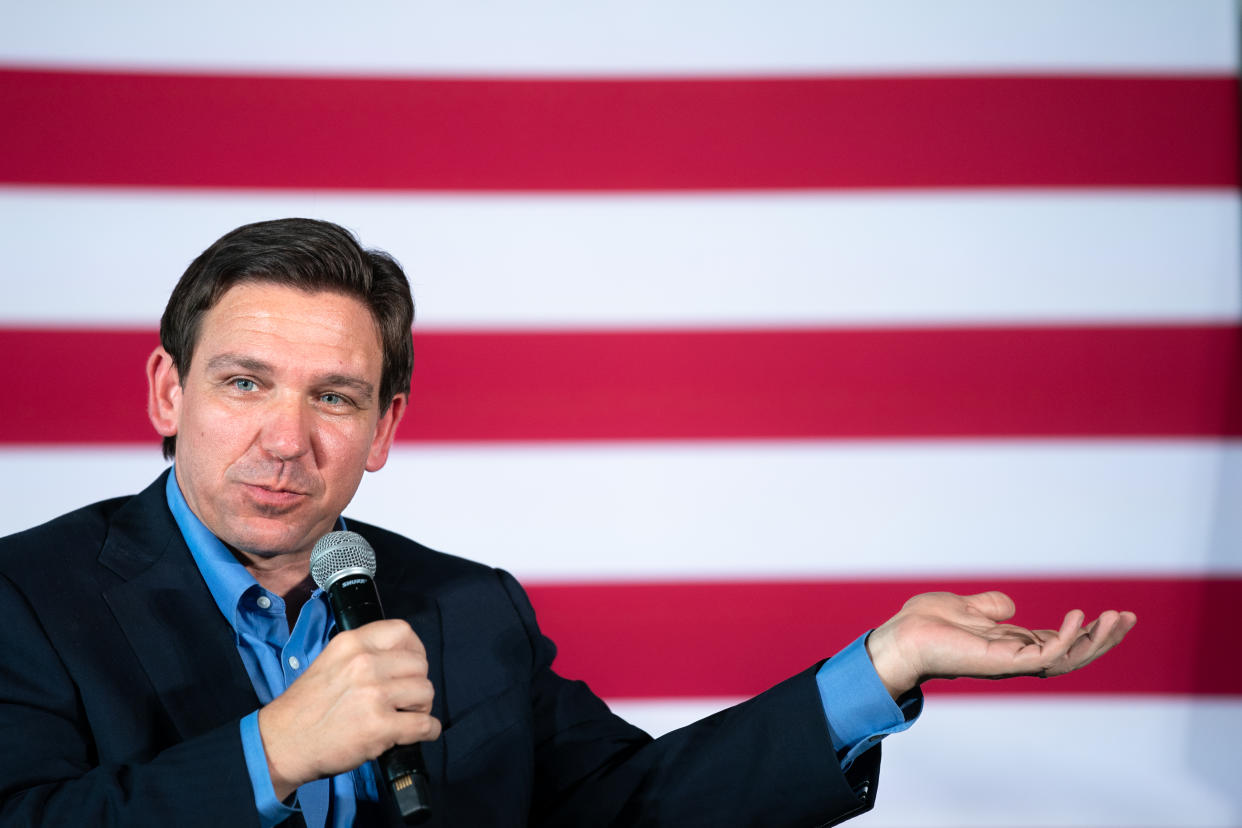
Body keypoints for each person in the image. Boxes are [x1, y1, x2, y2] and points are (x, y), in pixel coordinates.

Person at [0, 218, 1136, 827]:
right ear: (167, 394)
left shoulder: (469, 609)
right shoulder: (31, 600)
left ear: (385, 426)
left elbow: (631, 808)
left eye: (334, 397)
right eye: (245, 383)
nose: (288, 438)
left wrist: (881, 666)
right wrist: (274, 751)